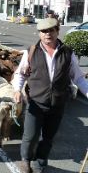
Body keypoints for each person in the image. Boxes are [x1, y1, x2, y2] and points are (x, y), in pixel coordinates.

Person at [13, 18, 88, 173]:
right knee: (31, 135)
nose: (48, 34)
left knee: (48, 138)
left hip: (58, 104)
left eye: (51, 30)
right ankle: (25, 160)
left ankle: (40, 163)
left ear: (57, 31)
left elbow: (78, 78)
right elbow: (20, 75)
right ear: (39, 33)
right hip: (36, 102)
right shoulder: (31, 51)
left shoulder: (67, 52)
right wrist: (17, 90)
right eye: (44, 31)